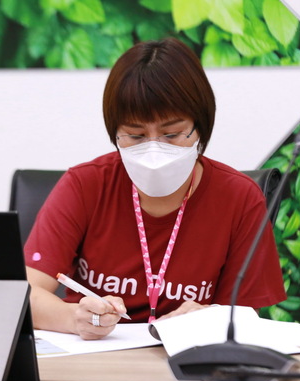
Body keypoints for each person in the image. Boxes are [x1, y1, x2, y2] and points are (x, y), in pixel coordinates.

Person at [24, 37, 286, 340]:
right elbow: (25, 294)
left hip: (189, 357)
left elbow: (243, 315)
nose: (153, 149)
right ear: (115, 132)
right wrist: (75, 318)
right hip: (93, 354)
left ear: (200, 127)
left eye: (172, 134)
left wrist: (210, 318)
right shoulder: (85, 185)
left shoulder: (239, 197)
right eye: (135, 136)